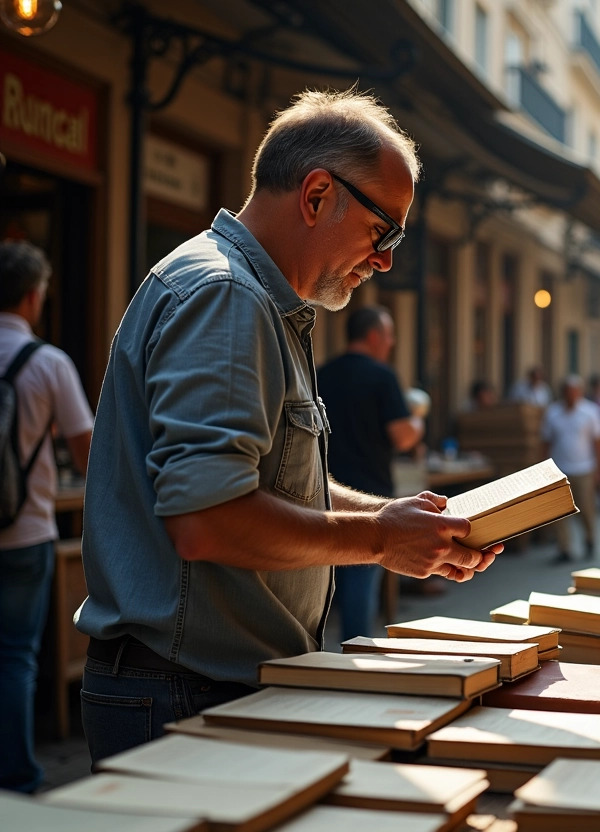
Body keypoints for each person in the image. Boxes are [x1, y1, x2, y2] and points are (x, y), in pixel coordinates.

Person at [74, 89, 500, 765]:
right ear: (316, 195)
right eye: (383, 231)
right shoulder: (226, 296)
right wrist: (381, 538)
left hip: (202, 686)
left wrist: (387, 516)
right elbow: (208, 518)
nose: (386, 259)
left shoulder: (256, 299)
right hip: (184, 692)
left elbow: (273, 482)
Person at [0, 241, 93, 794]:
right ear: (34, 296)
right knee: (15, 657)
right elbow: (88, 455)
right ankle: (16, 776)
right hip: (24, 532)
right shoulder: (47, 362)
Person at [317, 305, 425, 641]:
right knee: (361, 579)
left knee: (321, 582)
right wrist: (418, 420)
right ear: (374, 336)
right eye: (389, 335)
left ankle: (315, 658)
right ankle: (356, 655)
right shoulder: (383, 376)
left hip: (322, 491)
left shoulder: (320, 373)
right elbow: (402, 436)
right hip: (369, 496)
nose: (391, 343)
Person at [540, 375, 600, 563]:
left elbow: (599, 442)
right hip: (559, 469)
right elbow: (545, 442)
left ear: (580, 393)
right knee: (559, 512)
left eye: (574, 392)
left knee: (585, 508)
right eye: (567, 393)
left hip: (584, 468)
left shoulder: (590, 412)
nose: (571, 396)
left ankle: (590, 539)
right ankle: (564, 548)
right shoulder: (553, 413)